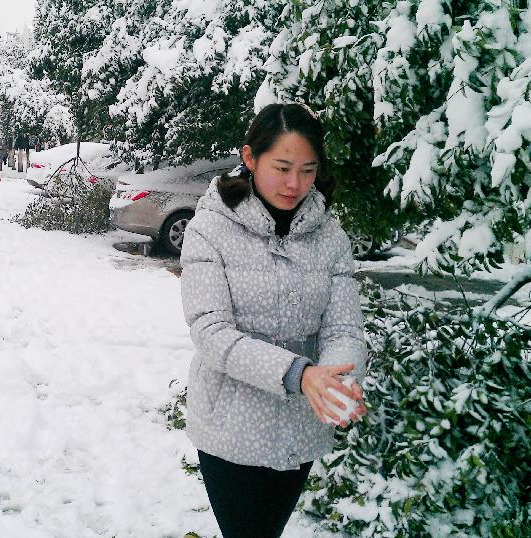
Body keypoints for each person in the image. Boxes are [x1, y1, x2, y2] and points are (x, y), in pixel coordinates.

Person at [179, 103, 367, 538]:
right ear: (250, 158)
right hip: (231, 423)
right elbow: (211, 332)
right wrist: (300, 375)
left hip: (298, 428)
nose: (294, 183)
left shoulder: (330, 236)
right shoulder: (210, 228)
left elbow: (343, 329)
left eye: (307, 170)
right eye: (282, 167)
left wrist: (338, 381)